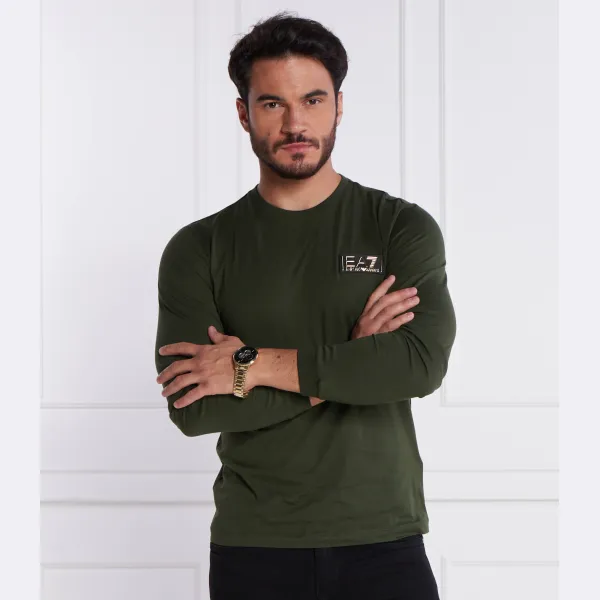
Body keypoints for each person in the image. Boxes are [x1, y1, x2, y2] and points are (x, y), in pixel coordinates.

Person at [154, 10, 456, 600]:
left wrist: (251, 366)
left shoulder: (398, 227)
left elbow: (418, 366)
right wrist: (354, 358)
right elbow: (195, 408)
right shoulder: (199, 248)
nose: (296, 123)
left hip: (384, 538)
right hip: (255, 545)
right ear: (243, 113)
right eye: (273, 104)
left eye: (313, 100)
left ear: (338, 106)